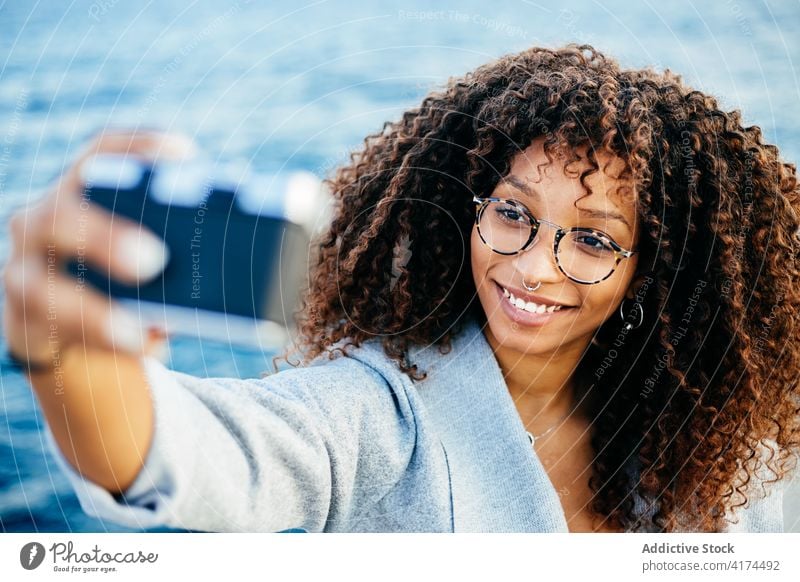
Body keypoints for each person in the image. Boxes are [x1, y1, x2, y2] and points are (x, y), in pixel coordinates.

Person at [4, 45, 800, 533]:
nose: (532, 267)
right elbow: (194, 454)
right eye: (513, 214)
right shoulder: (382, 409)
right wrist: (63, 355)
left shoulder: (722, 435)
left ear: (648, 271)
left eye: (592, 238)